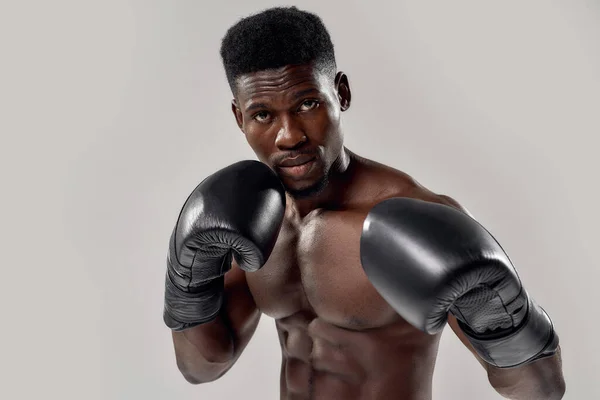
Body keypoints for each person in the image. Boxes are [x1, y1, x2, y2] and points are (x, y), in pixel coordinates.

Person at [162, 6, 566, 400]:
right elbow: (202, 367)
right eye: (263, 115)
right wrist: (186, 283)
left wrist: (497, 312)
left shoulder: (416, 217)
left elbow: (541, 391)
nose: (288, 136)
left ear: (341, 93)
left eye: (307, 104)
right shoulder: (247, 221)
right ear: (239, 118)